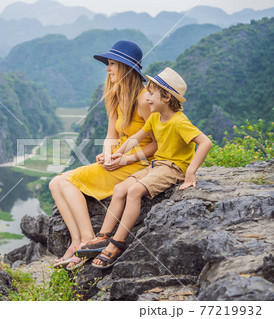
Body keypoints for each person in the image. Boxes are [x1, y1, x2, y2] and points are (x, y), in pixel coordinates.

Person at [81, 67, 212, 269]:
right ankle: (103, 237)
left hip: (172, 168)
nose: (147, 98)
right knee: (119, 189)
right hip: (156, 165)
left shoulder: (179, 122)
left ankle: (116, 243)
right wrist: (119, 153)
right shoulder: (154, 117)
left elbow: (205, 142)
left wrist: (190, 172)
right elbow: (136, 138)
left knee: (134, 191)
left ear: (167, 97)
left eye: (151, 94)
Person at [49, 41, 157, 270]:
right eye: (108, 64)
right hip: (119, 160)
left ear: (126, 68)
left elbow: (157, 145)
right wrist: (107, 154)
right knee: (55, 183)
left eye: (112, 64)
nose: (107, 69)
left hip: (137, 165)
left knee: (65, 182)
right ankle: (77, 242)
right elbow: (111, 134)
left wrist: (124, 159)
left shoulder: (144, 100)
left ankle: (88, 240)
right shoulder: (115, 95)